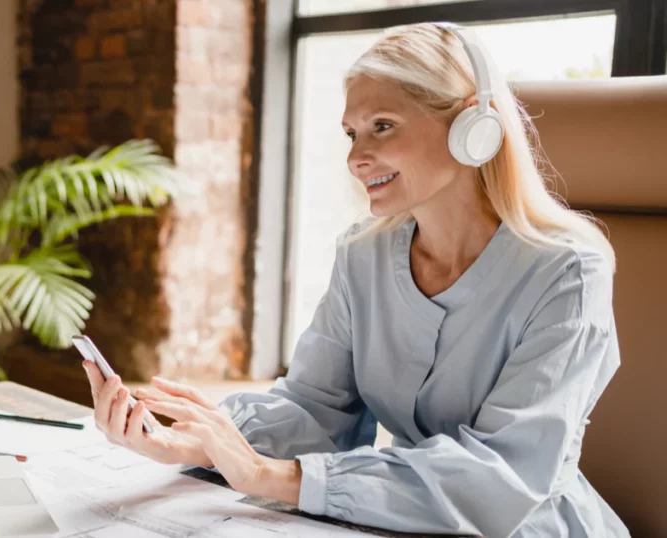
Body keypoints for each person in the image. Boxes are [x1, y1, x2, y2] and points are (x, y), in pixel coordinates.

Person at [82, 21, 627, 538]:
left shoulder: (568, 274)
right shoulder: (363, 254)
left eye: (382, 127)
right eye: (350, 133)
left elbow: (503, 478)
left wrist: (268, 477)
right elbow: (316, 409)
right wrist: (195, 440)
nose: (357, 157)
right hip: (397, 522)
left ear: (472, 126)